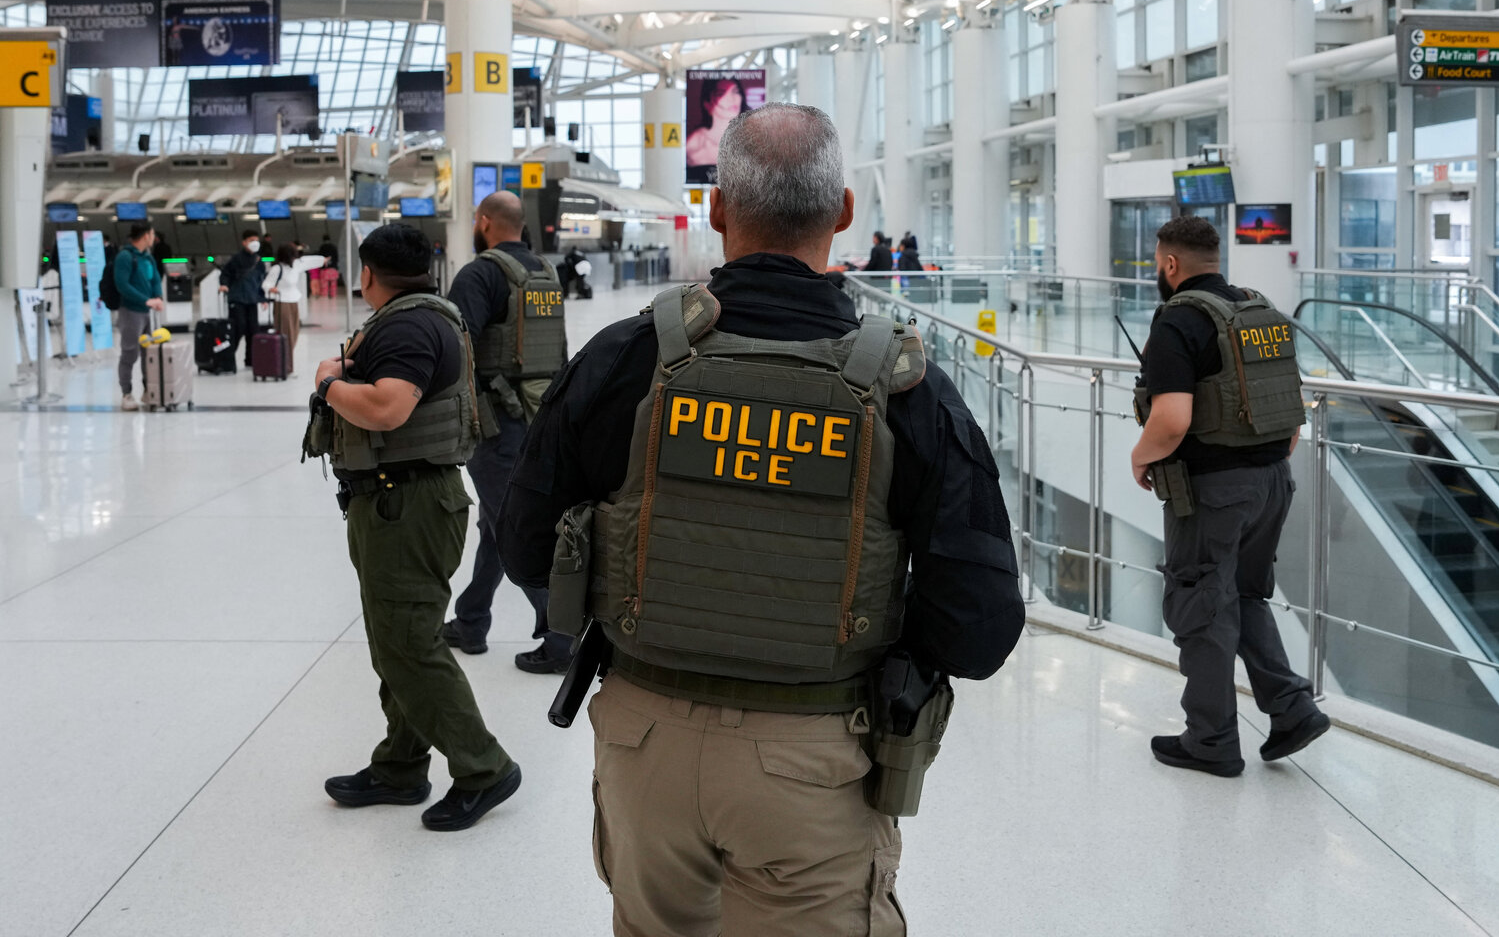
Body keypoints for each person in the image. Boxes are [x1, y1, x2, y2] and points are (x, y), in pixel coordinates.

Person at [499, 103, 1025, 935]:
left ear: (715, 208)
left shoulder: (627, 358)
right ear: (845, 212)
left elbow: (524, 543)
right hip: (818, 757)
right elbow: (981, 626)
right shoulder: (907, 388)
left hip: (643, 743)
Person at [307, 222, 521, 832]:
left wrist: (328, 380)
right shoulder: (425, 315)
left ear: (367, 273)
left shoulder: (406, 324)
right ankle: (400, 766)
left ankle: (484, 767)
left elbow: (386, 407)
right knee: (397, 639)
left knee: (409, 644)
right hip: (397, 501)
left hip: (409, 505)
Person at [1130, 215, 1328, 778]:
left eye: (1157, 263)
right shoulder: (1257, 310)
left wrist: (1140, 457)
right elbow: (1290, 410)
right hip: (1272, 480)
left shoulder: (1178, 322)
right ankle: (1292, 710)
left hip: (1212, 491)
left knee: (1201, 607)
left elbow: (1171, 419)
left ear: (1170, 264)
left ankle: (1210, 740)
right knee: (1243, 596)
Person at [441, 191, 571, 673]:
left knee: (511, 527)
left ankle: (560, 638)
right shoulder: (545, 273)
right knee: (497, 524)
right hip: (539, 414)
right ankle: (471, 620)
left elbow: (457, 348)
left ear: (485, 222)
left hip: (495, 423)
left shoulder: (480, 274)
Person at [113, 221, 163, 411]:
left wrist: (158, 297)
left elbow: (155, 278)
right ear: (145, 236)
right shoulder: (125, 257)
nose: (153, 238)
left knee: (149, 353)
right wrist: (145, 300)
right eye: (152, 234)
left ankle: (149, 390)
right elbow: (123, 285)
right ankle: (127, 393)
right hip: (131, 312)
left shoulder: (147, 257)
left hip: (148, 313)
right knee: (130, 352)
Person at [219, 230, 265, 369]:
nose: (254, 243)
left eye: (256, 240)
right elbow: (225, 273)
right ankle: (227, 358)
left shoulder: (258, 261)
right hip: (237, 299)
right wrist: (224, 285)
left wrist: (262, 298)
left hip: (251, 299)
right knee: (237, 329)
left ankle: (250, 360)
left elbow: (260, 281)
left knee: (253, 330)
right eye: (251, 240)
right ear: (244, 242)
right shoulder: (236, 259)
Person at [686, 78, 748, 176]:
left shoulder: (749, 138)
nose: (731, 99)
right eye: (721, 94)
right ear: (707, 104)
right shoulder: (696, 142)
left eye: (735, 91)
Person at [262, 242, 302, 372]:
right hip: (282, 302)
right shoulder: (277, 269)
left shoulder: (294, 266)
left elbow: (308, 261)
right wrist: (271, 289)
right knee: (286, 335)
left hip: (293, 301)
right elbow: (266, 284)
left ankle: (285, 364)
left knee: (294, 333)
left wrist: (322, 260)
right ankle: (286, 366)